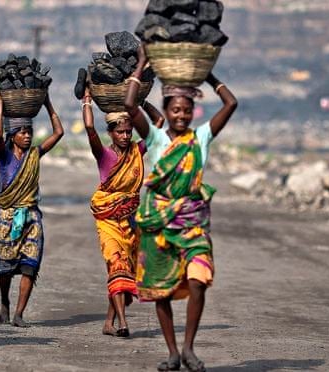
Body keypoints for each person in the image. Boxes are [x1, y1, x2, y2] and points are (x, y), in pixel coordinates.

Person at [125, 46, 238, 372]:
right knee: (161, 290)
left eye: (186, 110)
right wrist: (143, 64)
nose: (180, 115)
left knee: (199, 279)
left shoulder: (200, 138)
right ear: (167, 110)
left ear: (192, 112)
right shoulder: (157, 139)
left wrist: (209, 75)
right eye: (175, 109)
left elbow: (231, 104)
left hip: (191, 222)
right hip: (158, 223)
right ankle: (173, 352)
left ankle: (189, 347)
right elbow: (129, 105)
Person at [81, 84, 163, 338]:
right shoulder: (104, 157)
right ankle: (124, 324)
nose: (126, 136)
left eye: (129, 132)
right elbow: (89, 128)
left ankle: (108, 323)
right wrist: (86, 100)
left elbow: (159, 122)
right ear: (112, 134)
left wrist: (141, 101)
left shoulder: (138, 151)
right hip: (108, 221)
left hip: (132, 220)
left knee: (126, 273)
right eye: (121, 132)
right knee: (116, 264)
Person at [0, 90, 64, 327]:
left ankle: (19, 313)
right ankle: (4, 303)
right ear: (13, 135)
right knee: (5, 268)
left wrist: (48, 102)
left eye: (29, 131)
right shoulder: (5, 157)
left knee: (30, 265)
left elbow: (59, 132)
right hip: (8, 217)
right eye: (22, 131)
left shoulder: (34, 155)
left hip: (31, 217)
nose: (28, 136)